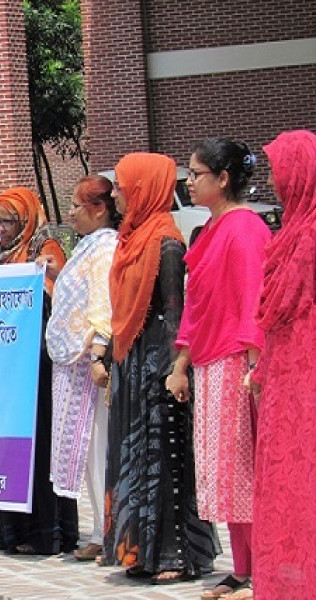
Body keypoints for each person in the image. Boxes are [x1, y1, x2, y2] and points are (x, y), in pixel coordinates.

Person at [103, 153, 218, 584]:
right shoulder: (130, 239)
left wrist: (175, 371)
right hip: (132, 362)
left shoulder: (166, 242)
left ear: (142, 187)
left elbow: (174, 313)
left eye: (122, 185)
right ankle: (139, 551)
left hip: (158, 369)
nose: (116, 193)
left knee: (162, 460)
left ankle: (171, 554)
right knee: (134, 459)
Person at [163, 139, 268, 599]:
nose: (189, 181)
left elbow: (252, 300)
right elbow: (196, 306)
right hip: (209, 363)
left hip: (234, 362)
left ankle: (260, 571)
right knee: (223, 474)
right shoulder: (209, 229)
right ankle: (242, 568)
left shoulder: (244, 229)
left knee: (243, 472)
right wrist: (181, 363)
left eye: (196, 173)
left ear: (222, 179)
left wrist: (254, 365)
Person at [0, 188, 76, 553]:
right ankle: (13, 531)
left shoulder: (44, 250)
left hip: (38, 365)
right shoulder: (3, 254)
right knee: (9, 446)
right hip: (8, 367)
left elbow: (57, 296)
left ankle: (46, 533)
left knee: (40, 446)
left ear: (26, 219)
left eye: (8, 220)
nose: (0, 228)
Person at [247, 130, 316, 600]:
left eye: (279, 169)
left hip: (307, 374)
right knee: (286, 480)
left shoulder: (310, 236)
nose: (273, 179)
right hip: (286, 372)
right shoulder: (292, 230)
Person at [46, 176, 119, 561]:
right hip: (72, 361)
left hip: (88, 362)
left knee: (98, 449)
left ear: (99, 209)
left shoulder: (106, 247)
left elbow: (103, 302)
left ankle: (109, 531)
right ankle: (99, 530)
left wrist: (97, 351)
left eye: (76, 205)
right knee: (86, 451)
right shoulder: (88, 247)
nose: (70, 212)